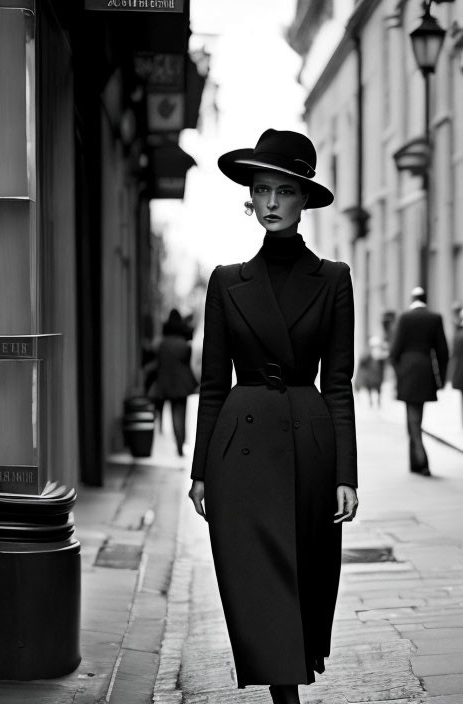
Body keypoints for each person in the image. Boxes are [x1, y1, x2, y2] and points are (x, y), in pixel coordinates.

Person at [187, 129, 359, 704]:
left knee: (306, 570)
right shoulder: (225, 281)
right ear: (250, 198)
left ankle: (294, 669)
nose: (271, 202)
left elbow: (338, 383)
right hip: (239, 449)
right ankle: (283, 688)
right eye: (261, 190)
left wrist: (346, 474)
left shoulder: (333, 278)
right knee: (254, 577)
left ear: (303, 199)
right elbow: (212, 387)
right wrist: (199, 472)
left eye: (284, 191)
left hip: (308, 443)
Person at [388, 286, 449, 476]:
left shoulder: (405, 318)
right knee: (416, 418)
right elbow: (443, 353)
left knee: (412, 420)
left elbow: (394, 352)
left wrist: (399, 374)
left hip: (407, 371)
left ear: (412, 298)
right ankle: (415, 462)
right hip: (425, 371)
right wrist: (441, 380)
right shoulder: (435, 318)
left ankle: (421, 461)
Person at [147, 309, 198, 456]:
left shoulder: (162, 344)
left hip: (167, 384)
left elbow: (158, 363)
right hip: (182, 385)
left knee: (174, 415)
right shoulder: (183, 345)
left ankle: (179, 444)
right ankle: (181, 445)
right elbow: (188, 361)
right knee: (181, 414)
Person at [355, 335, 386, 408]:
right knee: (370, 388)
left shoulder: (381, 356)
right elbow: (362, 362)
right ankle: (371, 401)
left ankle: (378, 401)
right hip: (370, 377)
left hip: (378, 376)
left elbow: (383, 365)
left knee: (378, 388)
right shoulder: (368, 355)